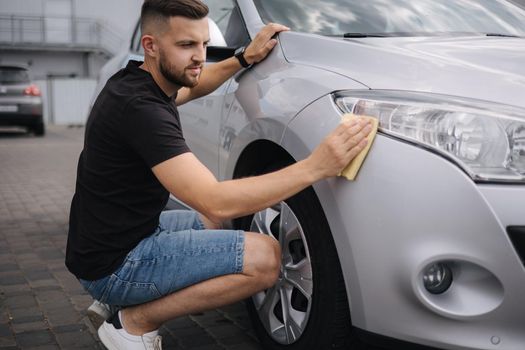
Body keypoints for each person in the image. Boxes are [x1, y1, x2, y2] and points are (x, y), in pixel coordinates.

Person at [65, 0, 373, 349]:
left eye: (203, 44)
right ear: (150, 45)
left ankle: (116, 298)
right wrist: (316, 166)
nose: (199, 56)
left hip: (111, 242)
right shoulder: (142, 110)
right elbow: (216, 200)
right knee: (265, 259)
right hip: (115, 262)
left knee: (210, 222)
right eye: (186, 45)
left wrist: (243, 58)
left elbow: (196, 84)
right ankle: (132, 322)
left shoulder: (138, 81)